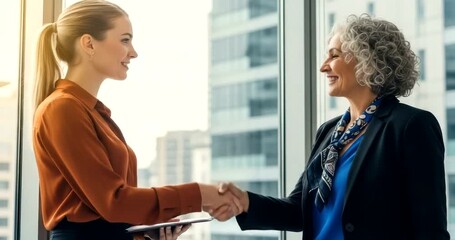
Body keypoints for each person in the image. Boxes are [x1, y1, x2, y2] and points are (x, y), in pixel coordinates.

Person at [216, 13, 450, 239]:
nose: (323, 67)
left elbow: (430, 229)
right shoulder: (329, 132)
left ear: (368, 61)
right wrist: (244, 201)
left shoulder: (410, 126)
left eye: (334, 56)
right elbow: (299, 211)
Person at [32, 1, 241, 240]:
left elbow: (107, 209)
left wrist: (144, 230)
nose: (133, 52)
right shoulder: (62, 108)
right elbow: (114, 202)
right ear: (89, 44)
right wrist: (200, 194)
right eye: (124, 40)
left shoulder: (92, 112)